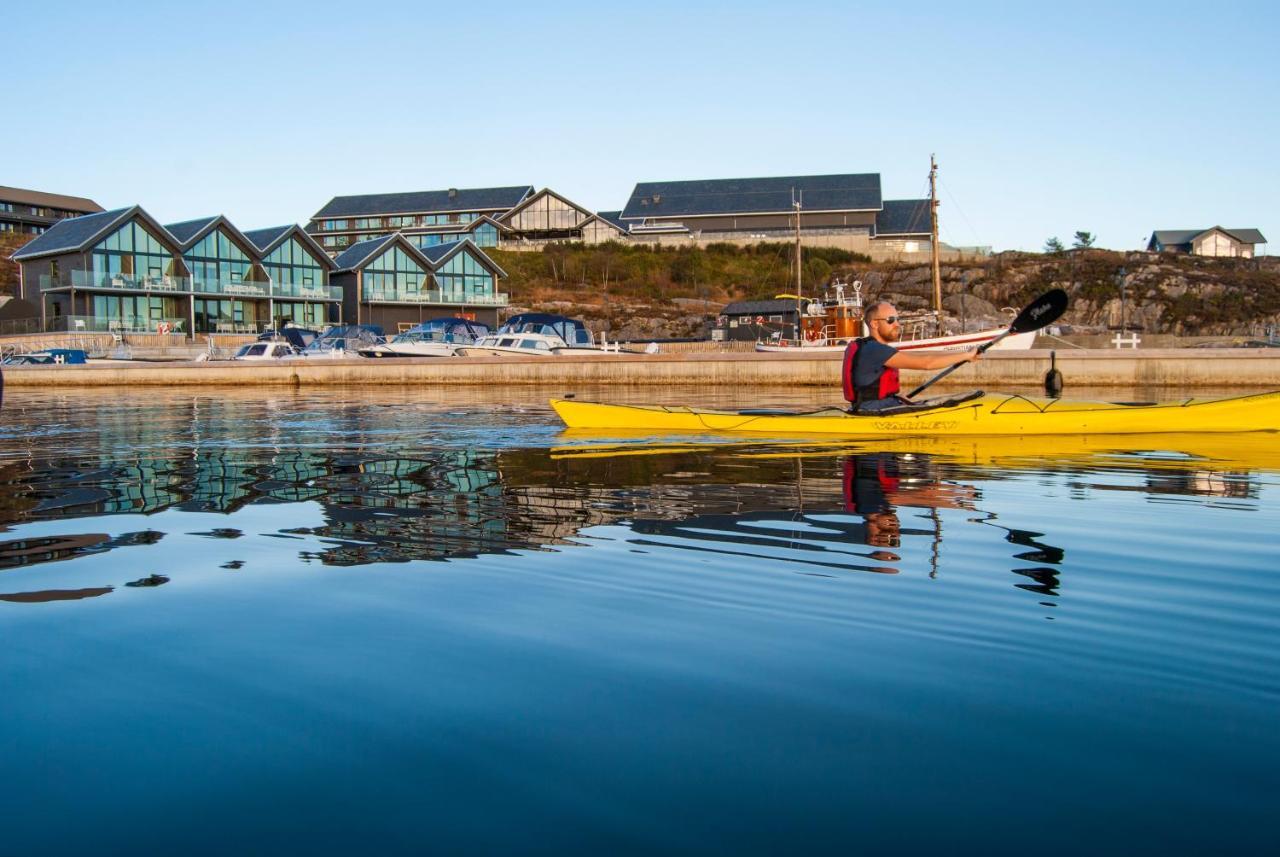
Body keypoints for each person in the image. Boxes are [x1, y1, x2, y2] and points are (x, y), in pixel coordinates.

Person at [842, 301, 981, 413]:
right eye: (891, 320)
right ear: (874, 324)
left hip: (875, 406)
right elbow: (927, 363)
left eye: (897, 319)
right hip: (873, 410)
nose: (897, 324)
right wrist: (966, 355)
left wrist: (894, 398)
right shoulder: (874, 350)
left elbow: (925, 356)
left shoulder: (872, 348)